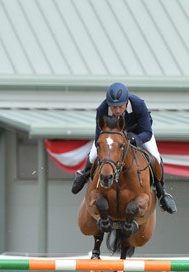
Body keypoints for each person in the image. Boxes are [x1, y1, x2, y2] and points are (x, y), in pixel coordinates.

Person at [71, 82, 177, 214]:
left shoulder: (138, 105)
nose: (116, 111)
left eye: (120, 107)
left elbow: (147, 133)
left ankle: (162, 192)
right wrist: (102, 145)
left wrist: (134, 139)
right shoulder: (102, 110)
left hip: (138, 133)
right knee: (93, 155)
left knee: (155, 156)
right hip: (111, 138)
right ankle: (84, 173)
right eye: (113, 107)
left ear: (126, 102)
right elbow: (99, 135)